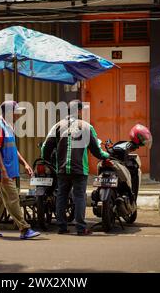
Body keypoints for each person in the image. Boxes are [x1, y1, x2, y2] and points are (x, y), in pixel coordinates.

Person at [41, 100, 110, 236]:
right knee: (79, 196)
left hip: (61, 169)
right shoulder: (86, 127)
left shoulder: (57, 126)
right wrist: (106, 155)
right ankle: (80, 228)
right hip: (79, 169)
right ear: (78, 111)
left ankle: (62, 227)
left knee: (62, 195)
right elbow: (96, 150)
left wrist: (47, 161)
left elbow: (45, 148)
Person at [0, 101, 40, 239]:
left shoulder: (8, 126)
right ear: (9, 112)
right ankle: (24, 229)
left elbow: (13, 149)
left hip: (7, 171)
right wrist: (2, 171)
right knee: (13, 198)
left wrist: (25, 163)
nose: (18, 114)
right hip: (3, 172)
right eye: (16, 111)